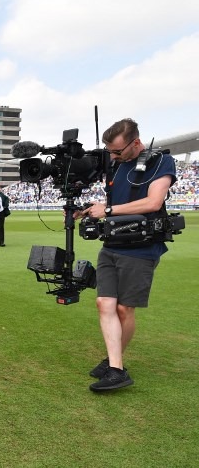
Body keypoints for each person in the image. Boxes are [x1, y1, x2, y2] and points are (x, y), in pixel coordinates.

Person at [76, 118, 176, 392]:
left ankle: (115, 366)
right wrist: (89, 209)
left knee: (123, 308)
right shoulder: (117, 165)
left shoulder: (161, 162)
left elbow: (153, 202)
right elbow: (116, 201)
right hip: (112, 244)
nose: (113, 156)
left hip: (141, 246)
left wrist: (108, 211)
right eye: (110, 151)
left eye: (118, 151)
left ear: (136, 142)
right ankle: (115, 366)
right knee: (104, 304)